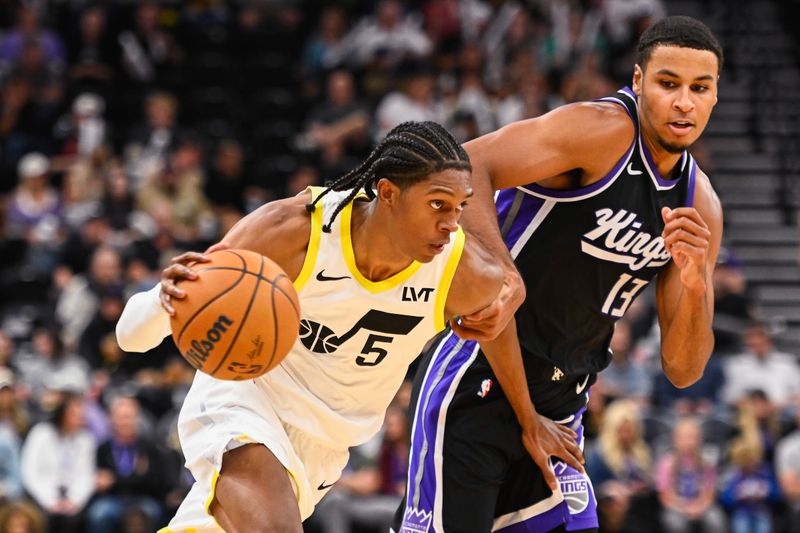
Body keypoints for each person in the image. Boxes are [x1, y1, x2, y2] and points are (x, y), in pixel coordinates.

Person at [394, 16, 724, 533]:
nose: (684, 102)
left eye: (699, 88)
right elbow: (465, 165)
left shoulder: (700, 204)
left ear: (714, 96)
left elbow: (683, 369)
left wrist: (695, 281)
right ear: (637, 82)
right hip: (480, 376)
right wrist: (501, 272)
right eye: (668, 84)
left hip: (563, 406)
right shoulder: (601, 132)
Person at [115, 121, 505, 532]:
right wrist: (163, 298)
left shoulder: (466, 275)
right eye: (438, 204)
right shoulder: (294, 231)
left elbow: (503, 325)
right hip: (246, 399)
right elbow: (129, 336)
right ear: (388, 193)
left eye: (461, 206)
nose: (452, 222)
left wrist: (533, 418)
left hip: (326, 444)